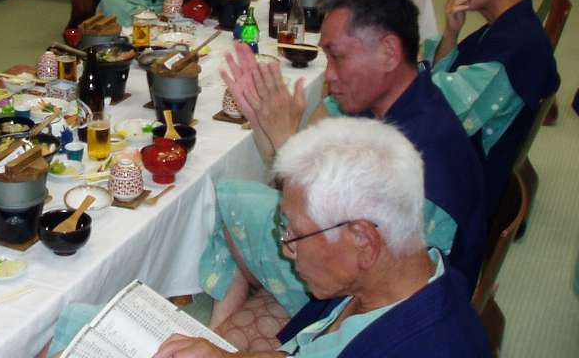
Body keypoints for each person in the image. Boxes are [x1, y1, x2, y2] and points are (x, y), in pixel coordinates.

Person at [199, 0, 485, 348]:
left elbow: (372, 266)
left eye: (338, 58)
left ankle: (231, 322)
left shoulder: (430, 151)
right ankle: (221, 331)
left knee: (229, 197)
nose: (329, 75)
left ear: (388, 52)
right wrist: (266, 124)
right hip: (356, 271)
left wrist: (286, 140)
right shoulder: (387, 104)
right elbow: (306, 196)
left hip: (370, 297)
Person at [152, 119, 490, 358]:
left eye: (296, 234)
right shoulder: (398, 278)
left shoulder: (419, 344)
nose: (287, 248)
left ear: (363, 240)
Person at [425, 0, 559, 219]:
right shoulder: (511, 24)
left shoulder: (516, 48)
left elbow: (436, 115)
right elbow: (441, 89)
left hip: (462, 189)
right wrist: (451, 33)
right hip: (463, 155)